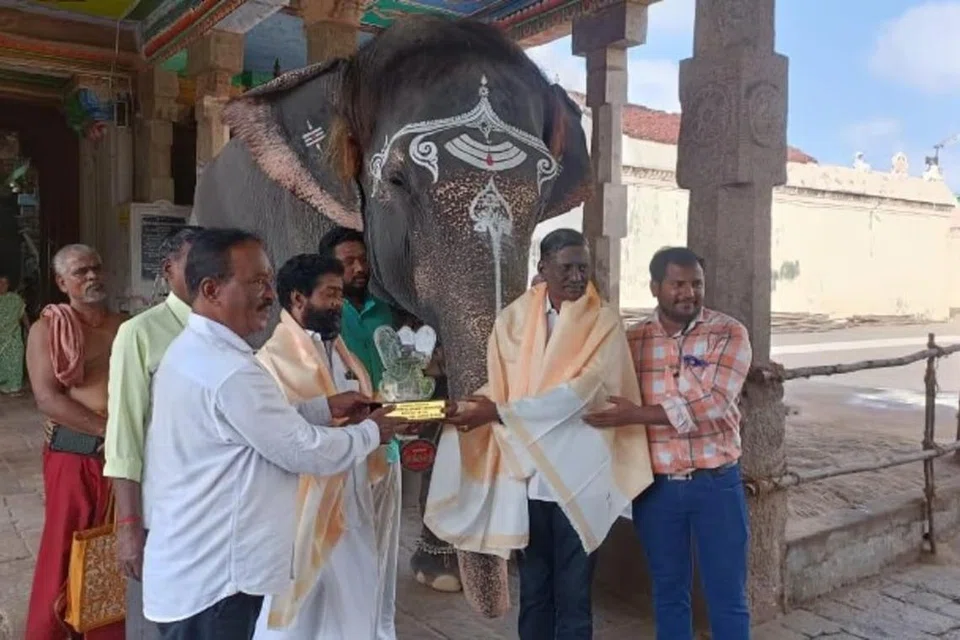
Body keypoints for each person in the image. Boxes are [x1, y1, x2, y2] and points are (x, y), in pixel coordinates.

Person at [140, 228, 405, 640]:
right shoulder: (229, 370)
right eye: (257, 282)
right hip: (217, 581)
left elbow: (253, 427)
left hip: (202, 571)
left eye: (268, 281)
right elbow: (305, 451)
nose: (269, 294)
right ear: (211, 290)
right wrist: (374, 431)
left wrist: (322, 409)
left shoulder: (199, 352)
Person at [426, 229, 653, 638]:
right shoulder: (512, 320)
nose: (577, 276)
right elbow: (502, 387)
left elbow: (582, 394)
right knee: (534, 591)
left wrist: (500, 412)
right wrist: (470, 407)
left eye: (583, 267)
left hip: (579, 477)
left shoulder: (604, 322)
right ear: (543, 267)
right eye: (567, 267)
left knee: (574, 595)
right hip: (528, 476)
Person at [583, 246, 753, 640]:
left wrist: (637, 415)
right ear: (655, 287)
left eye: (696, 284)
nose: (688, 293)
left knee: (727, 595)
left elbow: (713, 402)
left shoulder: (728, 333)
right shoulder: (633, 340)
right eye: (677, 284)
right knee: (668, 593)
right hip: (656, 489)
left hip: (716, 484)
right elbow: (599, 386)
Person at [253, 253, 407, 640]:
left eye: (339, 294)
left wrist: (379, 420)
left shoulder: (340, 351)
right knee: (297, 611)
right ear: (298, 299)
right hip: (302, 506)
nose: (338, 303)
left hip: (351, 494)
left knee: (355, 601)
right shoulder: (272, 360)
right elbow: (283, 433)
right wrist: (362, 429)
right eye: (330, 294)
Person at [318, 226, 461, 593]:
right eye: (348, 262)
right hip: (345, 445)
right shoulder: (324, 318)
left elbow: (407, 372)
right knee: (346, 540)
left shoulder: (387, 313)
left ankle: (377, 610)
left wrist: (421, 408)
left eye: (362, 260)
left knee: (383, 537)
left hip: (389, 444)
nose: (359, 268)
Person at [103, 226, 203, 640]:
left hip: (210, 508)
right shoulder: (141, 332)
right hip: (161, 511)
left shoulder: (231, 329)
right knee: (157, 618)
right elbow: (123, 434)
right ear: (168, 270)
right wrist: (129, 524)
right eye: (195, 264)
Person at [24, 244, 126, 640]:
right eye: (80, 271)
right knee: (65, 545)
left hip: (122, 454)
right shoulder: (48, 329)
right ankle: (48, 631)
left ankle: (105, 630)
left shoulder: (124, 324)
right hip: (76, 455)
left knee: (114, 546)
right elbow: (48, 399)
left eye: (96, 267)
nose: (91, 276)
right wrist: (107, 432)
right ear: (62, 282)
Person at [0, 273, 29, 395]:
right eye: (0, 283)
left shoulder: (15, 299)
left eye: (4, 283)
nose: (2, 285)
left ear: (8, 285)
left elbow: (23, 315)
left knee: (15, 358)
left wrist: (29, 329)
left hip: (13, 336)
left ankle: (13, 387)